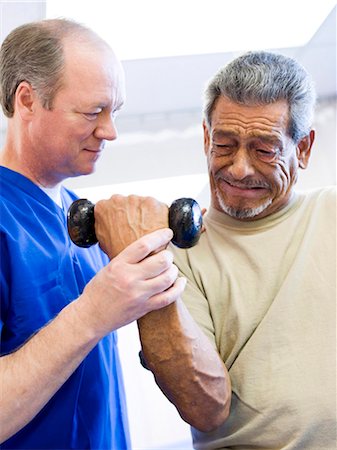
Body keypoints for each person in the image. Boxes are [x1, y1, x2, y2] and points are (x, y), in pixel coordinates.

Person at [0, 18, 192, 449]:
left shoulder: (81, 215)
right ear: (28, 100)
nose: (110, 131)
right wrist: (94, 312)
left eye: (114, 111)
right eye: (92, 111)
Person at [133, 52, 336, 448]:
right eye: (225, 143)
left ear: (305, 149)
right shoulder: (175, 253)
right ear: (207, 137)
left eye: (265, 150)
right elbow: (202, 407)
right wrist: (147, 259)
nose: (240, 168)